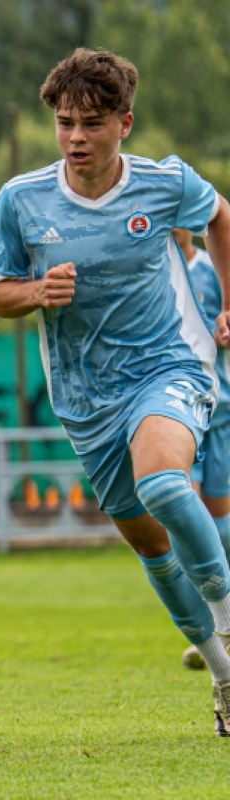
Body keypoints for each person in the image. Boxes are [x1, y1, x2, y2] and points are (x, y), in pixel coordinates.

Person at [0, 48, 230, 736]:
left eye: (91, 123)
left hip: (165, 369)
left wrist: (228, 305)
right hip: (84, 404)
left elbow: (221, 217)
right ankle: (223, 675)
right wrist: (36, 291)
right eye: (64, 123)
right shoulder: (21, 200)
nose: (76, 138)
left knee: (164, 483)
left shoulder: (164, 183)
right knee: (149, 544)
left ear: (125, 123)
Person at [173, 229, 230, 670]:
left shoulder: (213, 269)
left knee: (220, 520)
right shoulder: (151, 271)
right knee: (182, 508)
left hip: (221, 405)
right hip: (173, 408)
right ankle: (209, 631)